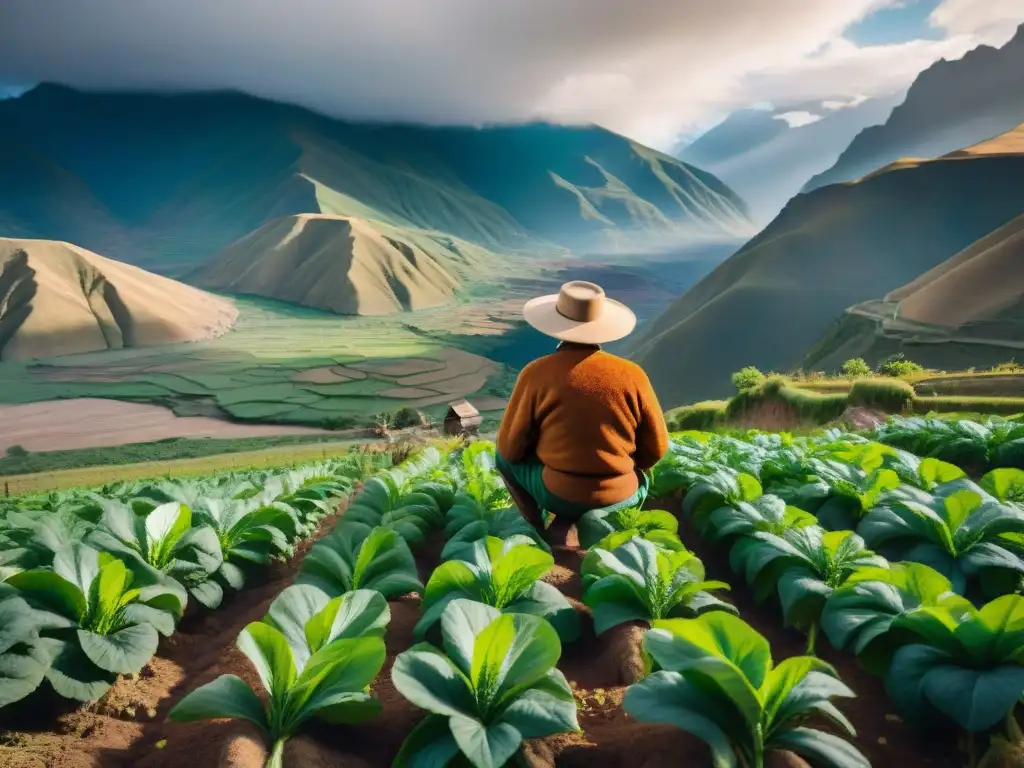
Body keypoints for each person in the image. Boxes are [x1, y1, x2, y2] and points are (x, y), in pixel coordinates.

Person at [495, 280, 669, 547]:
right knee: (641, 474)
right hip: (620, 495)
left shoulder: (535, 373)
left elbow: (510, 450)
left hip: (559, 493)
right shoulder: (633, 374)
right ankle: (605, 523)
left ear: (557, 325)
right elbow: (656, 449)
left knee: (501, 457)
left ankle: (536, 527)